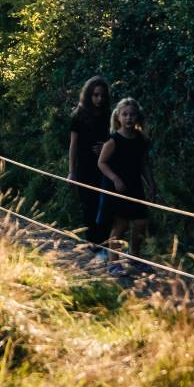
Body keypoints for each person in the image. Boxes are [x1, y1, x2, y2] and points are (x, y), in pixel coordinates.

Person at [97, 97, 155, 276]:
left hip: (134, 185)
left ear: (137, 117)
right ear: (118, 117)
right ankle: (113, 263)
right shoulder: (113, 140)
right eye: (125, 115)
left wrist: (151, 184)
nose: (129, 118)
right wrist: (115, 178)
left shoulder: (141, 140)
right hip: (117, 187)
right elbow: (102, 163)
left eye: (132, 115)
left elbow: (144, 164)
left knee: (140, 222)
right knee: (120, 224)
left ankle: (134, 257)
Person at [67, 76, 112, 255]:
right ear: (89, 95)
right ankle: (93, 244)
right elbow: (73, 145)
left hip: (106, 167)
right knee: (89, 205)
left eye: (102, 95)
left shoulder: (109, 116)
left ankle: (104, 243)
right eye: (95, 95)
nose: (99, 99)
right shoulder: (78, 116)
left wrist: (105, 148)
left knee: (105, 204)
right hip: (85, 167)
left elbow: (116, 140)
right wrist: (71, 172)